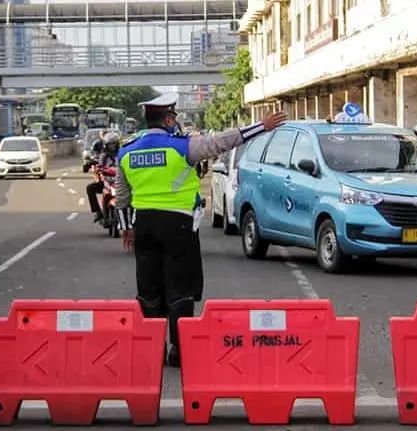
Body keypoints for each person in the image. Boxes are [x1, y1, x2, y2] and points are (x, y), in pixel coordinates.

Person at [114, 93, 287, 367]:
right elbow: (221, 142)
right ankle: (178, 351)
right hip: (178, 225)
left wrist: (126, 229)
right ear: (169, 118)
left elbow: (121, 197)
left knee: (148, 289)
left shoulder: (126, 150)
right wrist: (260, 127)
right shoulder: (182, 147)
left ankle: (151, 350)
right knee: (180, 288)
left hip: (143, 225)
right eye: (174, 117)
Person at [86, 131, 121, 223]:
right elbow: (100, 165)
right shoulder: (103, 155)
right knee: (90, 188)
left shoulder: (123, 153)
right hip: (107, 181)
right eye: (110, 144)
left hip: (121, 181)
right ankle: (97, 212)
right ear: (106, 145)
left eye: (114, 144)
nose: (112, 146)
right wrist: (98, 168)